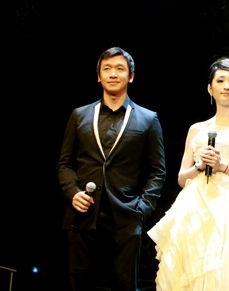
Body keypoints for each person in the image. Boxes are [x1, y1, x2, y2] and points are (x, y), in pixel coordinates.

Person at [147, 57, 229, 290]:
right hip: (195, 206)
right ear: (210, 88)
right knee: (189, 266)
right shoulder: (197, 129)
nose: (226, 86)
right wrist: (199, 165)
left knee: (227, 270)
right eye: (220, 80)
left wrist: (224, 166)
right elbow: (182, 178)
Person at [57, 46, 166, 291]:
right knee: (80, 283)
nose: (113, 74)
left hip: (126, 217)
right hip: (83, 217)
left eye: (120, 69)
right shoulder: (80, 115)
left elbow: (158, 171)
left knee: (123, 285)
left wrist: (141, 209)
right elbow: (65, 163)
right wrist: (72, 192)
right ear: (99, 76)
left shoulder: (148, 119)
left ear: (131, 76)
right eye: (107, 69)